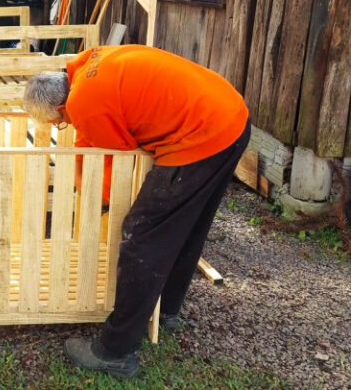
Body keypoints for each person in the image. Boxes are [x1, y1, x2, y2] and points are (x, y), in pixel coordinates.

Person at [23, 44, 250, 379]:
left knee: (142, 237)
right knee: (188, 224)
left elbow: (117, 154)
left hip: (201, 135)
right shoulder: (89, 64)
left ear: (61, 104)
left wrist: (101, 202)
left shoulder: (84, 103)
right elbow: (100, 129)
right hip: (230, 116)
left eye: (61, 122)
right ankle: (167, 309)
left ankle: (115, 351)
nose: (66, 124)